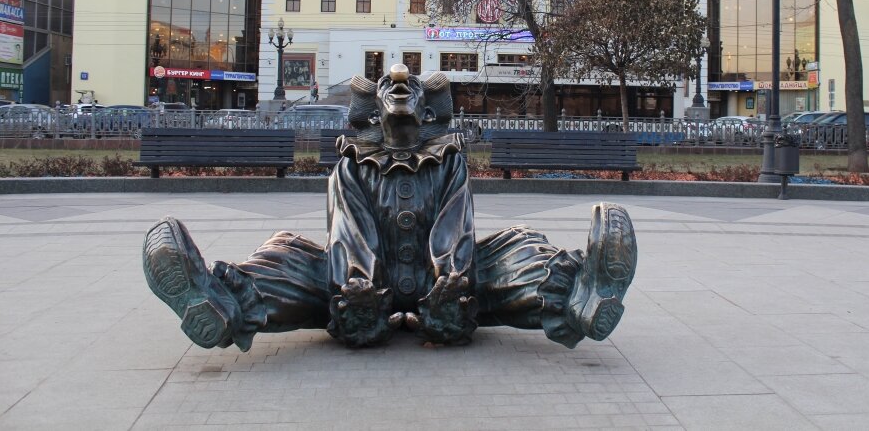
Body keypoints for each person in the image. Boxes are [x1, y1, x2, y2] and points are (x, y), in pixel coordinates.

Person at [142, 65, 636, 350]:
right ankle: (214, 305)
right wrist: (354, 284)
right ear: (373, 108)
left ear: (425, 108)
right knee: (285, 255)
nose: (399, 79)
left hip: (445, 287)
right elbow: (348, 230)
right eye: (388, 82)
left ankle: (585, 295)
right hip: (357, 290)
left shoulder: (448, 161)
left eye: (411, 83)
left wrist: (452, 281)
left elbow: (454, 227)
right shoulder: (352, 165)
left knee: (518, 249)